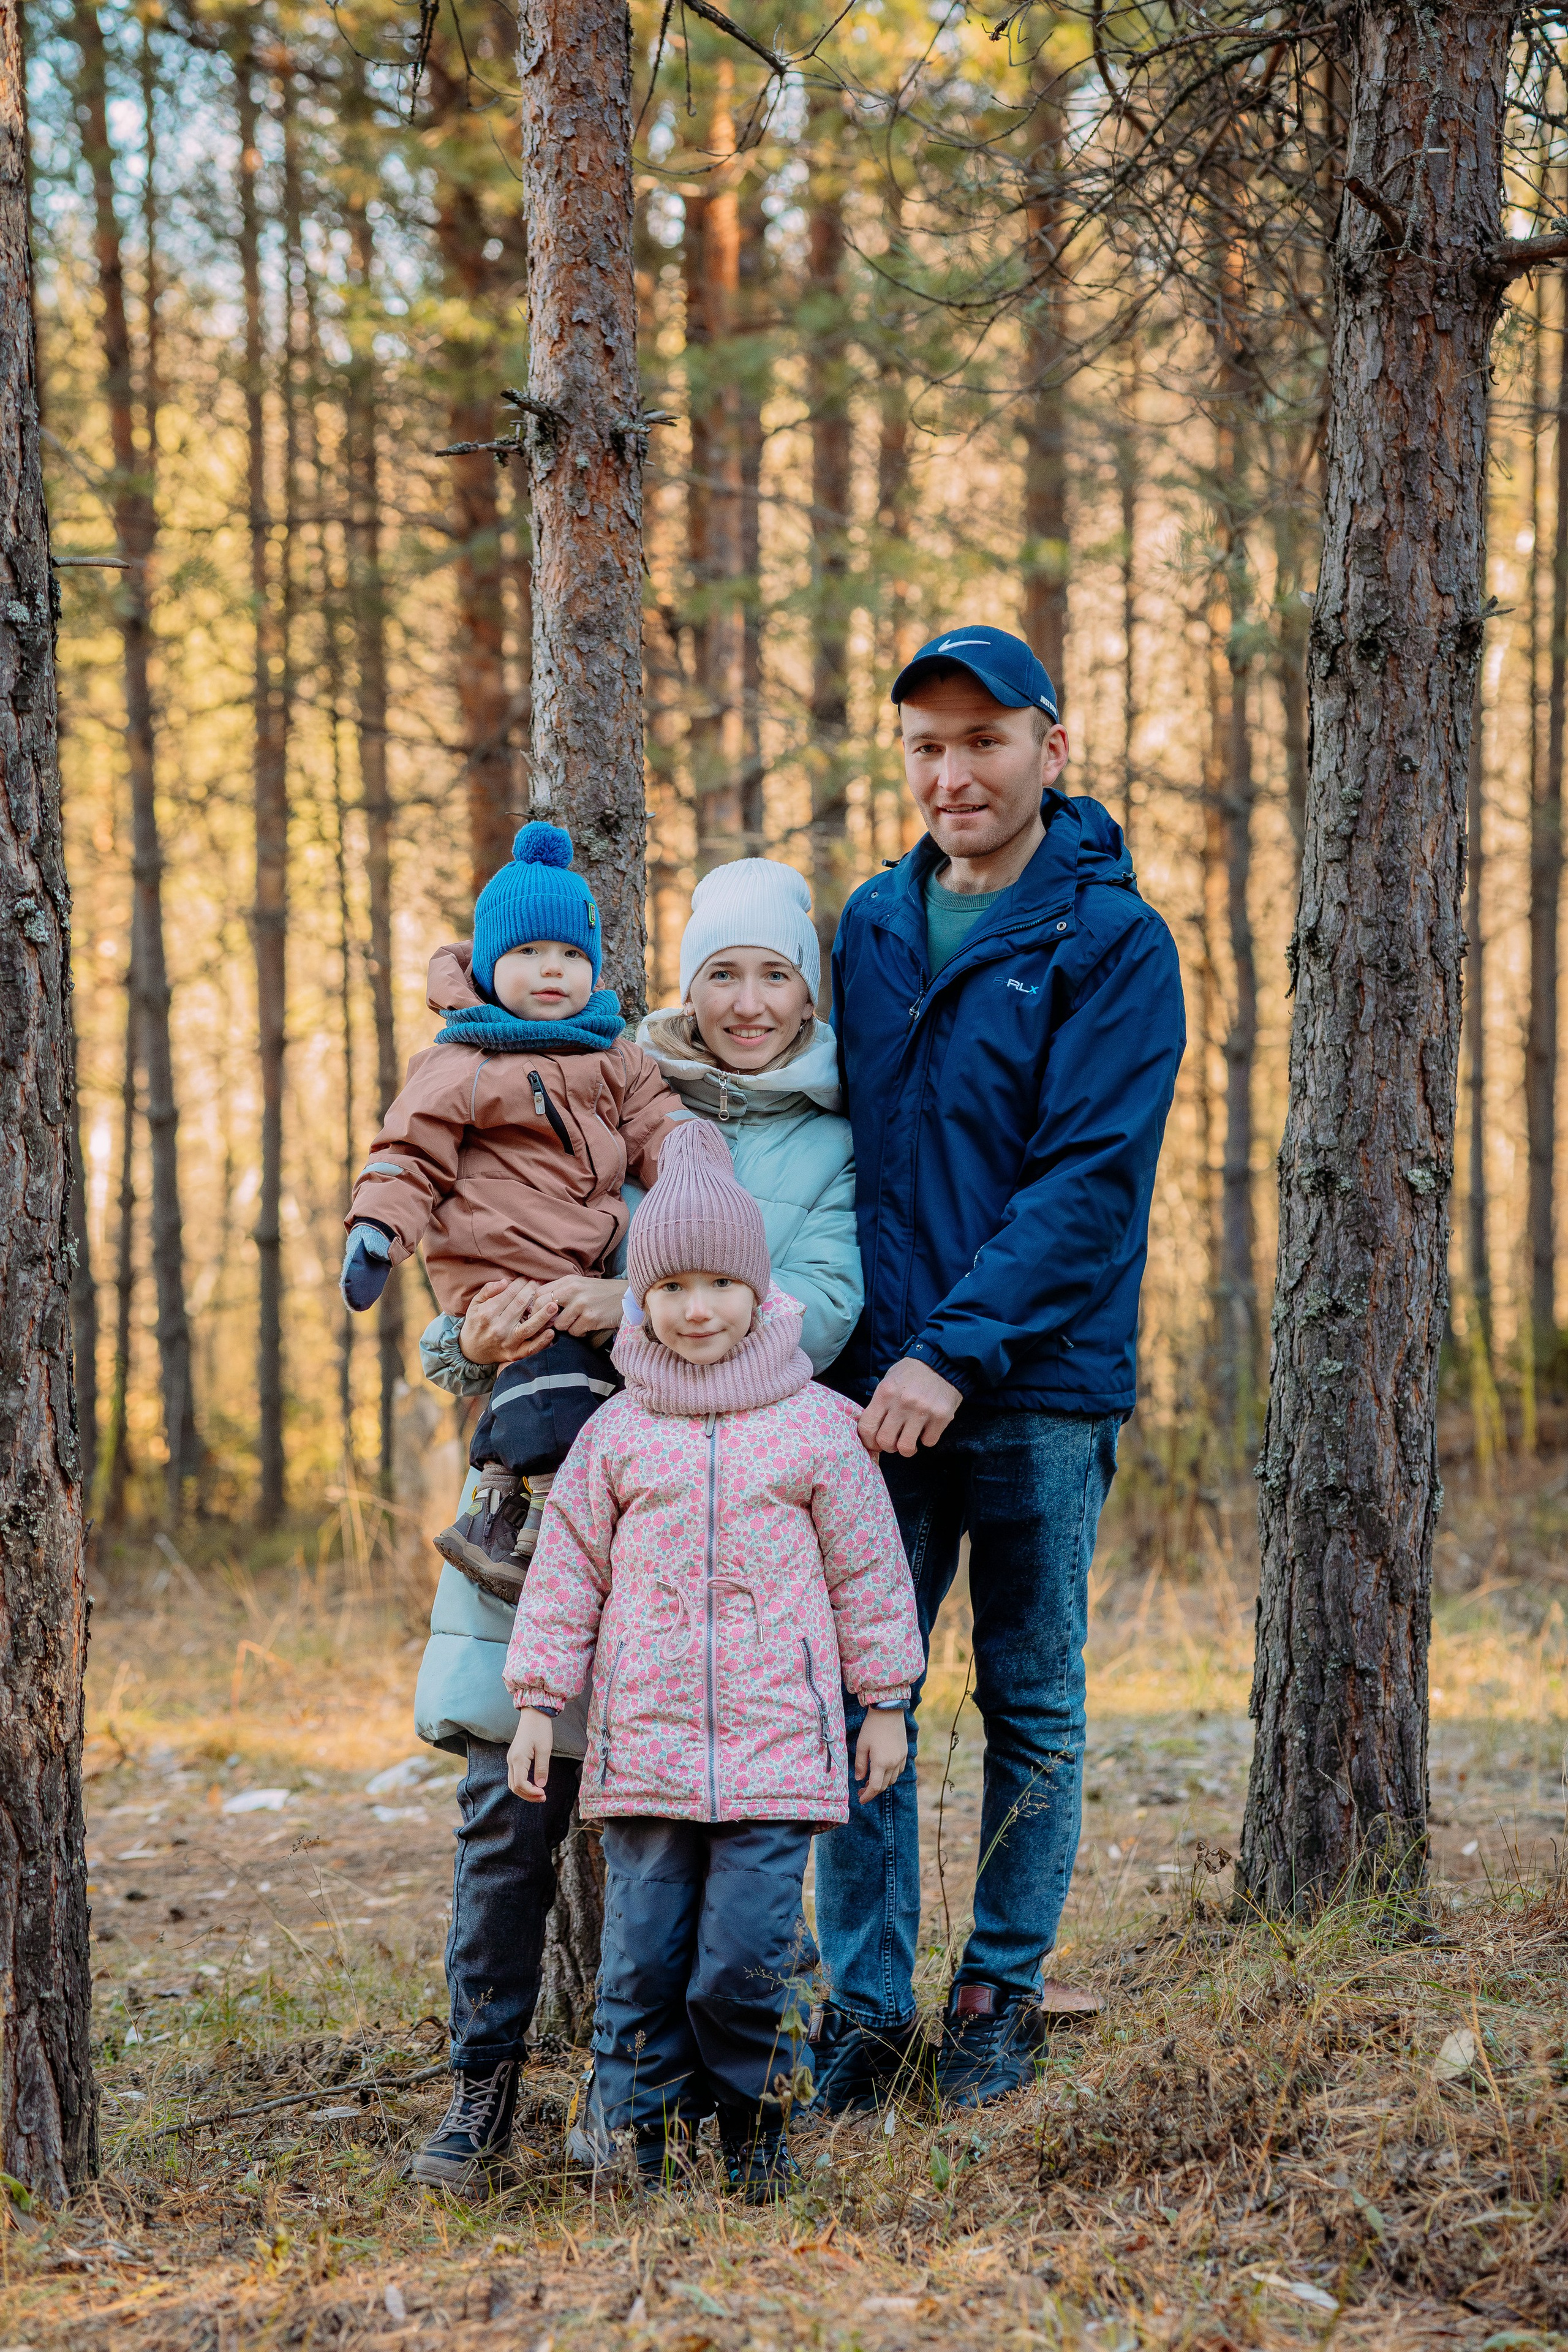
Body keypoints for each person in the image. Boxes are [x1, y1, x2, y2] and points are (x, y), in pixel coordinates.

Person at [812, 623, 1186, 2113]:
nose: (952, 773)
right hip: (869, 1393)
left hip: (1033, 1387)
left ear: (1049, 747)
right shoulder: (869, 922)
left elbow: (1086, 1186)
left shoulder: (1112, 941)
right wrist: (502, 1002)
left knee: (1029, 1698)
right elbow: (757, 1067)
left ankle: (993, 1995)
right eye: (926, 746)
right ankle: (862, 2010)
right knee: (856, 1688)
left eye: (982, 740)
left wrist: (951, 1356)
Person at [338, 820, 677, 2189]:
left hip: (652, 1476)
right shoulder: (462, 1062)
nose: (548, 973)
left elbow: (714, 1229)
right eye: (525, 954)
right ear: (489, 965)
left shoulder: (638, 1074)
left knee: (653, 1817)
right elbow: (409, 1167)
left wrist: (624, 1293)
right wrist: (434, 1300)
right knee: (504, 1808)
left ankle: (623, 2090)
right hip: (516, 1458)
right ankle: (481, 2088)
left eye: (566, 955)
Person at [502, 1122, 924, 2196]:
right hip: (646, 1754)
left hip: (776, 1753)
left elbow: (869, 1570)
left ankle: (756, 2135)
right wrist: (539, 1702)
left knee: (745, 1961)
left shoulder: (819, 1427)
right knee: (641, 1965)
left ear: (758, 1289)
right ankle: (633, 2146)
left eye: (721, 1284)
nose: (698, 1309)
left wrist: (885, 1701)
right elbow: (566, 1575)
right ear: (640, 1301)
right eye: (672, 1287)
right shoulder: (617, 1435)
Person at [638, 856, 862, 1374]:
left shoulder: (837, 1144)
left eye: (776, 976)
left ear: (807, 1001)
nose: (747, 1005)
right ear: (689, 995)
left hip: (757, 1421)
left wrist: (629, 1306)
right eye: (722, 975)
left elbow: (825, 1314)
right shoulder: (632, 1107)